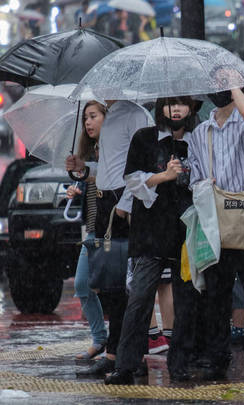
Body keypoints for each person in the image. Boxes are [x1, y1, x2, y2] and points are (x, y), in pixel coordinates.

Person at [104, 96, 195, 385]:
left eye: (182, 104)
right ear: (161, 108)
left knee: (186, 299)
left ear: (191, 108)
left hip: (187, 228)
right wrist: (163, 176)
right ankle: (127, 364)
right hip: (150, 231)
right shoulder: (145, 138)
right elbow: (132, 180)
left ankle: (180, 363)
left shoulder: (198, 137)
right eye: (171, 104)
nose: (176, 110)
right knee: (140, 297)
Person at [187, 84, 244, 381]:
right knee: (216, 295)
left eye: (225, 85)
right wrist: (201, 184)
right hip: (216, 221)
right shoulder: (201, 132)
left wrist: (233, 82)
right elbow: (195, 176)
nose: (219, 89)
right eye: (216, 83)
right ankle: (217, 356)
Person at [66, 99, 152, 378]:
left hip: (121, 205)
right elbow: (110, 167)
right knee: (114, 286)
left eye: (93, 116)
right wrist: (83, 169)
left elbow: (140, 164)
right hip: (106, 206)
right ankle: (117, 353)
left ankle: (128, 355)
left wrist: (126, 201)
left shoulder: (134, 114)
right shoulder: (114, 116)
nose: (89, 121)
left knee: (128, 286)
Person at [65, 101, 108, 361]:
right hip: (91, 229)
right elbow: (91, 187)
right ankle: (100, 338)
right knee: (82, 285)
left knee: (115, 289)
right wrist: (77, 184)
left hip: (110, 230)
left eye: (93, 116)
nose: (88, 122)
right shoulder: (89, 151)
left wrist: (85, 171)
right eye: (86, 118)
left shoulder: (114, 149)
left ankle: (117, 345)